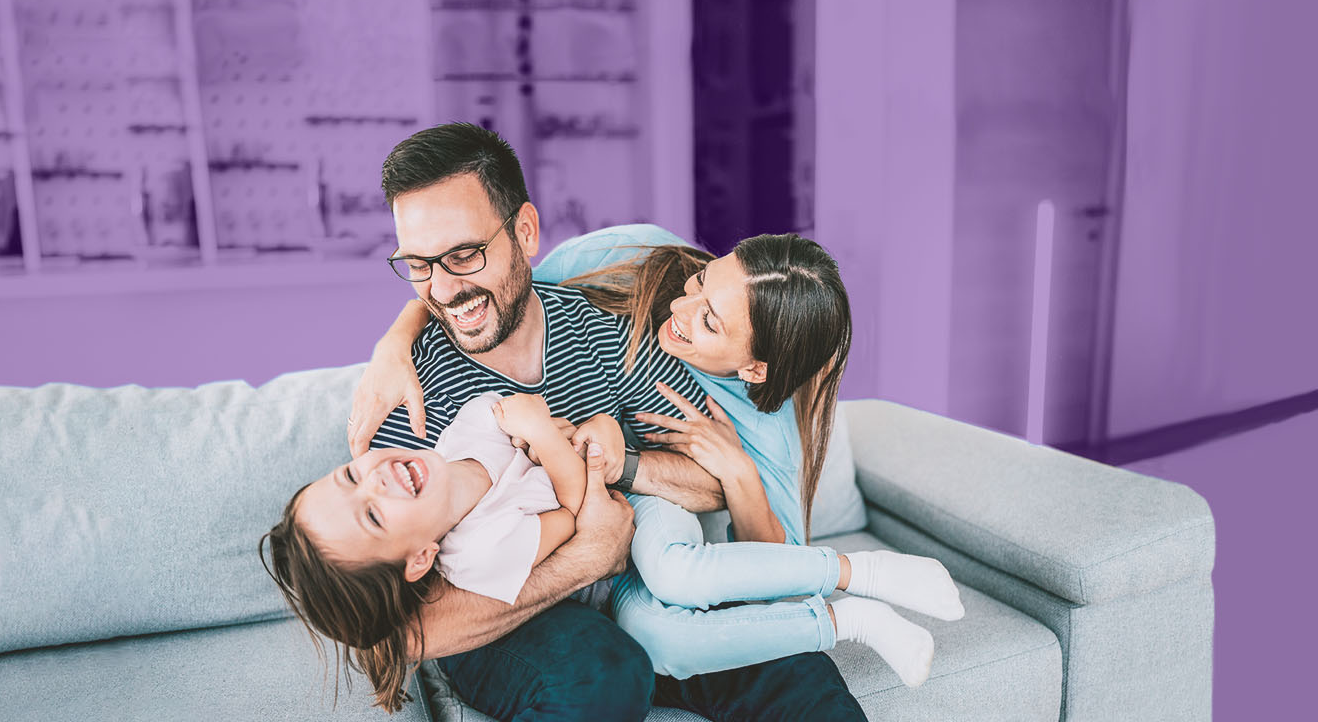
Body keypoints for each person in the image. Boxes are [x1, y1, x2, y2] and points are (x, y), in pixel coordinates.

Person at [343, 122, 943, 722]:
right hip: (515, 624)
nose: (443, 289)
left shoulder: (607, 334)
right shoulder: (407, 399)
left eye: (464, 255)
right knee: (602, 665)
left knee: (798, 668)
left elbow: (705, 472)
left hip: (634, 596)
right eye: (417, 265)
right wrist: (585, 555)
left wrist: (629, 466)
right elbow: (395, 630)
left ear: (524, 232)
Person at [355, 223, 966, 686]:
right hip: (609, 525)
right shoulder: (633, 256)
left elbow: (777, 576)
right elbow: (490, 291)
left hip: (657, 528)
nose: (678, 310)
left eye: (710, 323)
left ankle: (865, 586)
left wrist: (736, 474)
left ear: (754, 367)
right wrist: (394, 342)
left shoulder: (766, 426)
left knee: (677, 583)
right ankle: (855, 615)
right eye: (701, 284)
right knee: (663, 643)